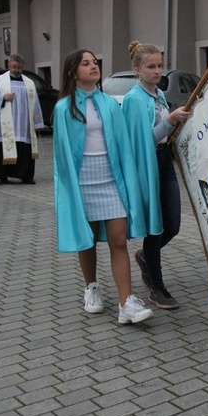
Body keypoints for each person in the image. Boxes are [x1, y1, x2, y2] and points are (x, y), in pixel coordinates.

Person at [53, 49, 154, 324]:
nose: (93, 67)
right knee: (87, 240)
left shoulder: (109, 104)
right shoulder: (64, 107)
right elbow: (61, 155)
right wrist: (67, 190)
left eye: (95, 63)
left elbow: (122, 145)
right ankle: (92, 288)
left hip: (111, 181)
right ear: (73, 72)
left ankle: (126, 304)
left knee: (118, 239)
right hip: (82, 183)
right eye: (86, 64)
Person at [121, 41, 193, 310]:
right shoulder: (133, 99)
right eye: (151, 66)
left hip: (164, 161)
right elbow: (141, 142)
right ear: (137, 69)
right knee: (155, 225)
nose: (157, 71)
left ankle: (144, 257)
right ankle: (157, 286)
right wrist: (170, 121)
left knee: (172, 223)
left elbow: (164, 134)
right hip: (147, 165)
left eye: (160, 65)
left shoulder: (159, 95)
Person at [0, 53, 44, 184]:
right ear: (9, 65)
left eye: (19, 67)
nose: (16, 70)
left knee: (23, 147)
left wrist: (37, 121)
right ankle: (2, 174)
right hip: (4, 122)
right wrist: (3, 97)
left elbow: (35, 102)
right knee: (3, 145)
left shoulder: (29, 82)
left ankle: (25, 175)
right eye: (13, 67)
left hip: (23, 122)